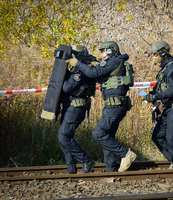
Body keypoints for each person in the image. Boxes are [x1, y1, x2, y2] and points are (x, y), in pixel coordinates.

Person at [66, 41, 136, 172]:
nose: (102, 55)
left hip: (114, 105)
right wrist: (86, 65)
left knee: (98, 134)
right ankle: (111, 171)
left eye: (103, 52)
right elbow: (95, 74)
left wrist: (78, 63)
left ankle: (126, 154)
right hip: (114, 105)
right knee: (107, 137)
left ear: (111, 50)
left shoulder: (114, 61)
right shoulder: (114, 63)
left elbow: (94, 73)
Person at [143, 40, 173, 169]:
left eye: (155, 55)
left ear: (163, 53)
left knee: (172, 139)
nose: (154, 57)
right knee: (158, 136)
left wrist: (155, 96)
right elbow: (161, 88)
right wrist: (151, 95)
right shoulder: (165, 68)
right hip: (169, 108)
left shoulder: (172, 67)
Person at [58, 44, 96, 174]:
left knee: (64, 137)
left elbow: (67, 88)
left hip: (75, 108)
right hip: (70, 107)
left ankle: (86, 161)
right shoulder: (79, 68)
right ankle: (71, 169)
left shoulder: (81, 69)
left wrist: (61, 78)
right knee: (63, 138)